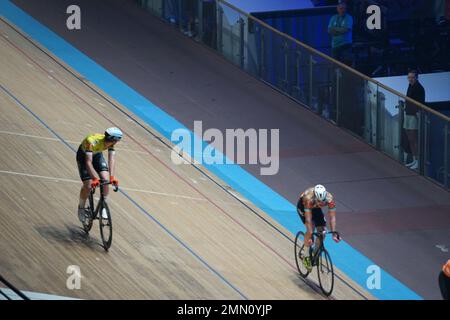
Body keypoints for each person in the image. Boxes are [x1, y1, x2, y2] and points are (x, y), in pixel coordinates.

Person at [76, 127, 122, 222]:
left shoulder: (111, 143)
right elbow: (88, 162)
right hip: (84, 156)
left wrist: (112, 177)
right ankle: (81, 208)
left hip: (97, 155)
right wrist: (94, 178)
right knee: (88, 186)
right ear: (112, 139)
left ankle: (103, 206)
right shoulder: (91, 141)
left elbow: (111, 159)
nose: (116, 143)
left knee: (105, 180)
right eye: (116, 141)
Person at [297, 185, 341, 271]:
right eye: (319, 201)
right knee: (311, 229)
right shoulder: (308, 199)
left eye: (322, 202)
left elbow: (332, 217)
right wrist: (310, 235)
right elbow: (309, 220)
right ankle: (305, 255)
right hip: (304, 207)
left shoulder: (329, 199)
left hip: (316, 208)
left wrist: (334, 233)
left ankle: (314, 253)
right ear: (315, 197)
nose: (322, 203)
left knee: (323, 232)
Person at [403, 70, 425, 170]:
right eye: (409, 77)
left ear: (416, 77)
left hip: (414, 115)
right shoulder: (410, 85)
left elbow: (419, 103)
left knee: (414, 138)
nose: (410, 79)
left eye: (412, 77)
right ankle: (415, 159)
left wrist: (416, 114)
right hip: (408, 113)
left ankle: (419, 161)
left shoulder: (419, 88)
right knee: (409, 138)